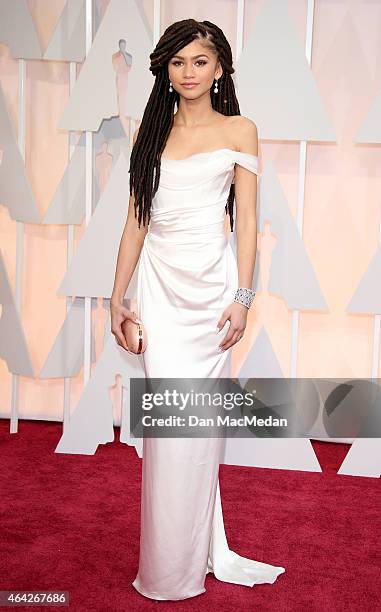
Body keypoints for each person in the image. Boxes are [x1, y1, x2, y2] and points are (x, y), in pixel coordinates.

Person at [110, 18, 285, 601]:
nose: (189, 73)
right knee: (168, 435)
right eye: (178, 62)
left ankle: (183, 563)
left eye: (200, 61)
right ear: (164, 68)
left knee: (196, 431)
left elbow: (248, 224)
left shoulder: (241, 129)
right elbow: (137, 221)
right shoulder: (149, 134)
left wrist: (242, 297)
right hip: (160, 291)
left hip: (212, 296)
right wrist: (118, 297)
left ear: (219, 68)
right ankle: (167, 562)